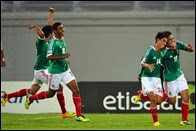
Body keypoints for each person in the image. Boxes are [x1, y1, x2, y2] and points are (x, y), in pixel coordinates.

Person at [1, 7, 75, 119]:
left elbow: (48, 27)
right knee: (59, 87)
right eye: (52, 33)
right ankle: (64, 112)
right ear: (50, 34)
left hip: (40, 70)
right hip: (42, 71)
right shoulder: (42, 42)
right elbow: (42, 34)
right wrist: (36, 26)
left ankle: (8, 95)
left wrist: (51, 15)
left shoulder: (49, 41)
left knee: (32, 91)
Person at [25, 22, 90, 123]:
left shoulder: (62, 39)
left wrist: (64, 60)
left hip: (65, 70)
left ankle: (78, 115)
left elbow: (61, 53)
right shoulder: (52, 42)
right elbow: (49, 57)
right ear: (55, 31)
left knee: (76, 90)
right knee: (51, 94)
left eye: (63, 28)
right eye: (60, 29)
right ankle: (31, 98)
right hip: (55, 72)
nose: (63, 30)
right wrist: (63, 57)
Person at [134, 32, 167, 126]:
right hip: (147, 78)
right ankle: (156, 122)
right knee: (153, 98)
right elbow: (142, 62)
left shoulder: (162, 51)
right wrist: (147, 65)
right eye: (164, 41)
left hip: (156, 79)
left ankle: (142, 95)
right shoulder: (150, 50)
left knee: (159, 101)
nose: (165, 43)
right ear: (158, 40)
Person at [161, 31, 194, 126]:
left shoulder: (177, 44)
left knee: (186, 96)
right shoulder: (163, 53)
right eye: (170, 40)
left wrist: (190, 49)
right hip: (169, 79)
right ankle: (160, 95)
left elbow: (189, 49)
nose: (172, 41)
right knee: (172, 102)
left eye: (172, 38)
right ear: (165, 42)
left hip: (179, 76)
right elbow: (158, 65)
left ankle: (184, 120)